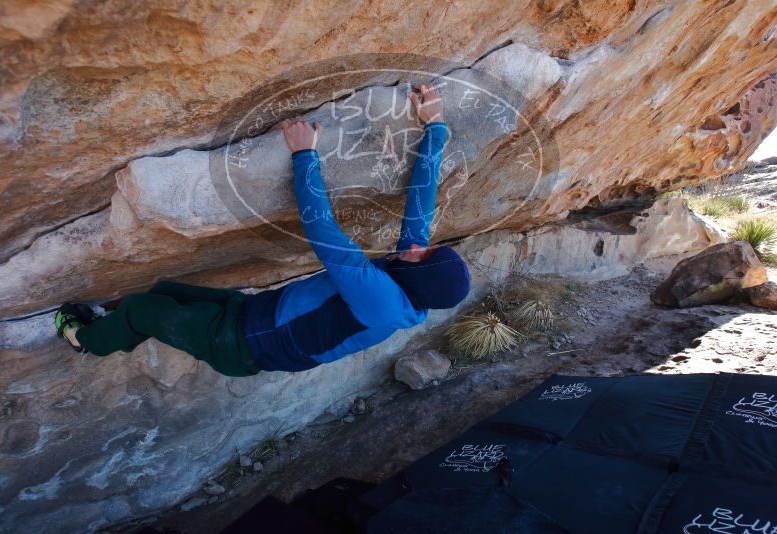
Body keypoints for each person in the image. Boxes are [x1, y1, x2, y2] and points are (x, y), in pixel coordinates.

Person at [54, 84, 471, 376]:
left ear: (421, 275)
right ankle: (115, 326)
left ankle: (83, 339)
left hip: (241, 347)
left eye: (424, 255)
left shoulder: (381, 301)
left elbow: (323, 232)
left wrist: (305, 154)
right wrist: (434, 128)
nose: (418, 248)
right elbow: (420, 205)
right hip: (251, 313)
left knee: (144, 311)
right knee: (164, 292)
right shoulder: (408, 274)